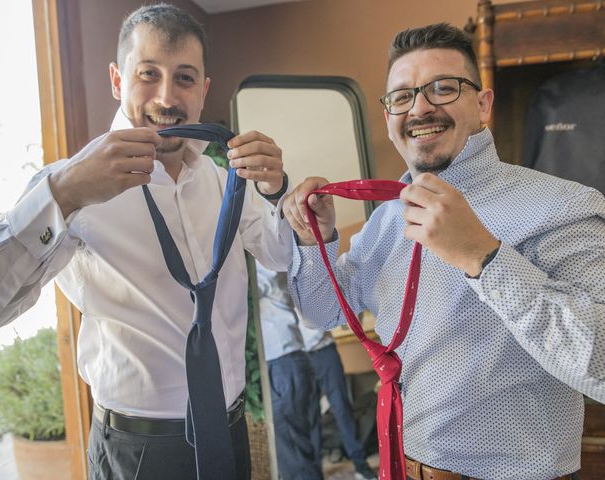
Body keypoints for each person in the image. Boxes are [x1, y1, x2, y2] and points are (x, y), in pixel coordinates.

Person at [0, 4, 292, 479]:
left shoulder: (223, 182)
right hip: (138, 452)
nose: (166, 97)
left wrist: (278, 192)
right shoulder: (67, 184)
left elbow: (283, 253)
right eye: (148, 74)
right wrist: (66, 196)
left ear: (202, 92)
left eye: (183, 78)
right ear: (118, 81)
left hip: (230, 431)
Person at [283, 23, 605, 480]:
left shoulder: (562, 206)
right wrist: (313, 239)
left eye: (443, 88)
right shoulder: (387, 217)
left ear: (483, 104)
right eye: (401, 96)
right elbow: (324, 310)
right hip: (401, 466)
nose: (419, 108)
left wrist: (484, 258)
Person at [256, 263, 323, 480]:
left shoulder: (263, 259)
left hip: (283, 364)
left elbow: (252, 289)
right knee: (300, 450)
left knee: (293, 456)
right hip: (288, 364)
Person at [299, 325, 378, 480]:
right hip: (301, 358)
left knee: (342, 408)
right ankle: (314, 473)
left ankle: (361, 465)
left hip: (325, 351)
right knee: (311, 415)